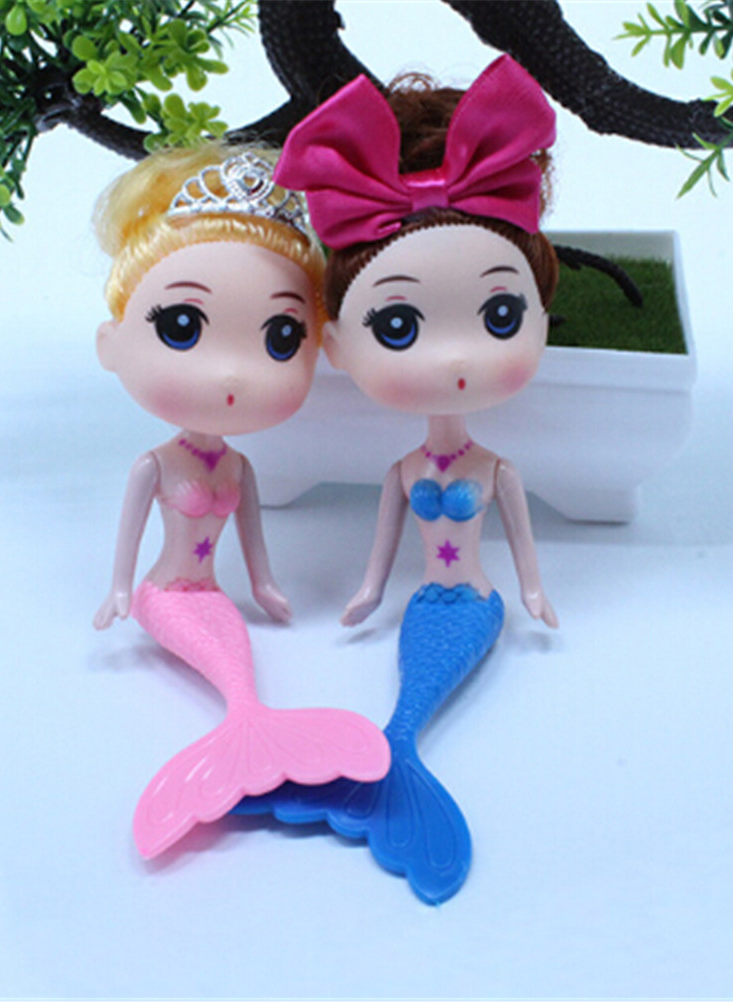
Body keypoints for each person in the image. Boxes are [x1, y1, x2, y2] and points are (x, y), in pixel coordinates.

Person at [236, 56, 559, 904]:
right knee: (406, 701)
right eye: (400, 325)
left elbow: (523, 548)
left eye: (499, 316)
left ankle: (387, 762)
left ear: (543, 315)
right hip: (420, 604)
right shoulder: (402, 470)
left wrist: (532, 594)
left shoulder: (496, 469)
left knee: (414, 704)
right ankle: (387, 764)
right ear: (337, 347)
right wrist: (369, 593)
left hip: (477, 604)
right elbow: (383, 550)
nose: (455, 358)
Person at [92, 144, 389, 860]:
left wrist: (265, 586)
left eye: (281, 338)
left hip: (216, 594)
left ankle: (253, 738)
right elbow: (129, 542)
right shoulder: (154, 466)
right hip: (165, 596)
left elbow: (253, 544)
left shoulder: (240, 467)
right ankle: (246, 740)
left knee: (239, 662)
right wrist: (120, 591)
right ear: (111, 345)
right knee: (227, 669)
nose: (230, 374)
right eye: (182, 328)